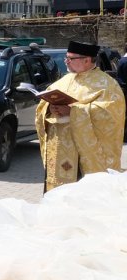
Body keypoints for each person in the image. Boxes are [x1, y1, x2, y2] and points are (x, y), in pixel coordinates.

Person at [35, 40, 126, 192]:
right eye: (66, 58)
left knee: (78, 197)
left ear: (87, 60)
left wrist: (74, 112)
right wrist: (49, 108)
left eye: (71, 58)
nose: (66, 61)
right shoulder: (64, 80)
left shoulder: (107, 85)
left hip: (81, 156)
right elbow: (43, 108)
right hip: (57, 151)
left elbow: (110, 116)